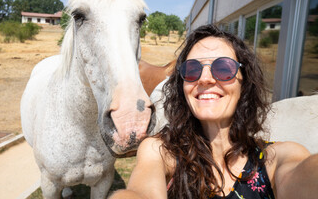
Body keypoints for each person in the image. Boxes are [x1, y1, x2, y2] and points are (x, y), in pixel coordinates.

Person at [110, 24, 318, 199]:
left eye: (224, 68)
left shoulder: (278, 158)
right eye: (192, 69)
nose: (205, 78)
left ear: (244, 83)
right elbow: (140, 191)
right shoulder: (161, 152)